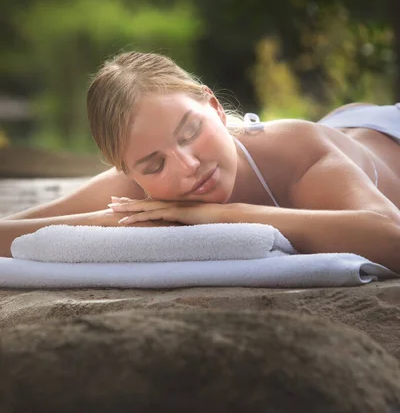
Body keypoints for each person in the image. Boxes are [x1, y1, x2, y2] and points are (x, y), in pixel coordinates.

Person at [1, 51, 400, 273]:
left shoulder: (297, 153)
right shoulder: (139, 183)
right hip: (347, 129)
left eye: (191, 132)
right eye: (154, 165)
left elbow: (390, 237)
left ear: (215, 107)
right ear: (126, 170)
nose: (187, 165)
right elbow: (11, 233)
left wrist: (227, 215)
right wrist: (123, 221)